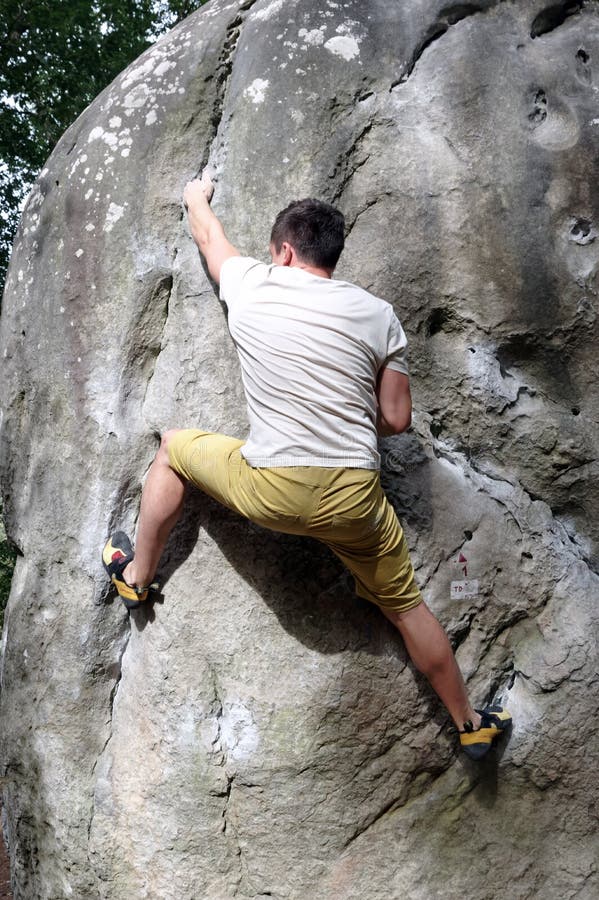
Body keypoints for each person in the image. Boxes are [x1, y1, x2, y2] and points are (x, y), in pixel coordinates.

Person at [102, 172, 511, 760]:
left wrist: (197, 194)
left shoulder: (254, 284)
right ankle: (470, 722)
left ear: (284, 251)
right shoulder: (378, 315)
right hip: (355, 500)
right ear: (331, 255)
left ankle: (136, 579)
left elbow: (210, 239)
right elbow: (396, 420)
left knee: (172, 449)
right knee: (407, 608)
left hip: (274, 490)